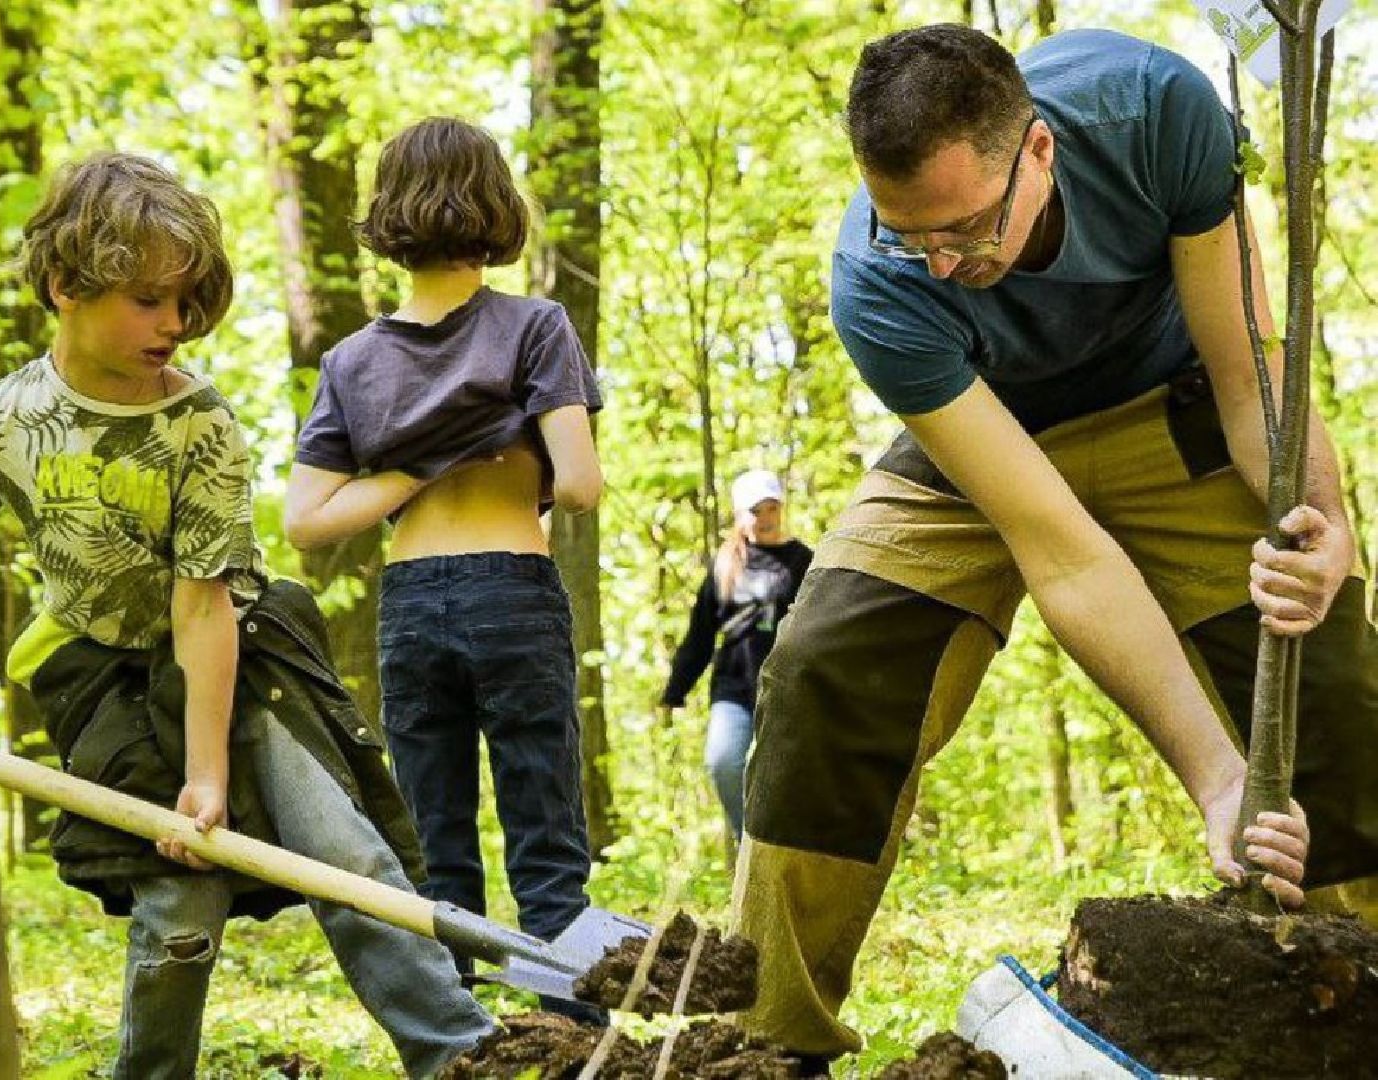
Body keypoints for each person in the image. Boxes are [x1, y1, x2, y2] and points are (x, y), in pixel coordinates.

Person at [731, 25, 1377, 1069]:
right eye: (911, 235)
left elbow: (1243, 364)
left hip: (1172, 407)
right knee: (825, 670)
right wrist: (1215, 777)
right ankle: (764, 1040)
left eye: (966, 228)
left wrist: (1322, 517)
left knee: (1334, 685)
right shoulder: (877, 283)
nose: (945, 262)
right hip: (986, 437)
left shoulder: (1156, 114)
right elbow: (1061, 551)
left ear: (1036, 150)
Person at [0, 152, 494, 1078]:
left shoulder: (201, 425)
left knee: (348, 855)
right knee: (181, 908)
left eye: (186, 302)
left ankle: (464, 1057)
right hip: (102, 679)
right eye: (148, 300)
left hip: (242, 657)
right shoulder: (3, 415)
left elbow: (202, 608)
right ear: (67, 285)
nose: (175, 324)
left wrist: (206, 774)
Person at [284, 118, 605, 1022]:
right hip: (512, 589)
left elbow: (307, 522)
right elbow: (579, 485)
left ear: (388, 214)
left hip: (413, 603)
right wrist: (485, 454)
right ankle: (569, 1039)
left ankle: (462, 1041)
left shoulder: (351, 360)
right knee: (547, 841)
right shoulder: (535, 328)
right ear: (498, 205)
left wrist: (407, 471)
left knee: (438, 846)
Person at [659, 469, 812, 838]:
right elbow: (699, 634)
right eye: (755, 510)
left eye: (771, 508)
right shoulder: (726, 564)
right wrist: (675, 690)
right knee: (724, 762)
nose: (764, 518)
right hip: (733, 687)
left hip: (786, 688)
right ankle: (750, 843)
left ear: (781, 509)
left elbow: (819, 627)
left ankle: (782, 852)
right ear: (741, 514)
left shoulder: (803, 560)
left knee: (781, 778)